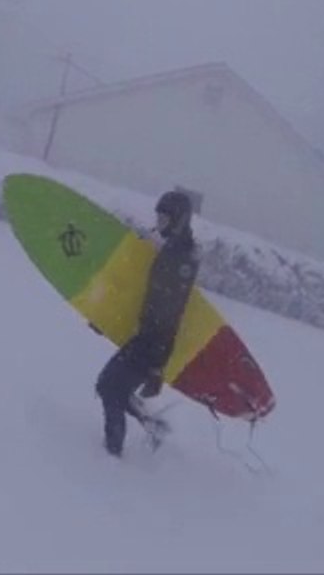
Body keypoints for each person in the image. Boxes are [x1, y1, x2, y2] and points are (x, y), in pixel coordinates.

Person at [95, 190, 199, 457]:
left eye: (164, 219)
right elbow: (144, 296)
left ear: (179, 220)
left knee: (109, 387)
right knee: (111, 386)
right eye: (158, 217)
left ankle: (112, 455)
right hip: (147, 337)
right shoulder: (173, 250)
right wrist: (106, 318)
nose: (159, 223)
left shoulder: (181, 258)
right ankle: (153, 426)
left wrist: (157, 366)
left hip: (153, 343)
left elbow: (171, 313)